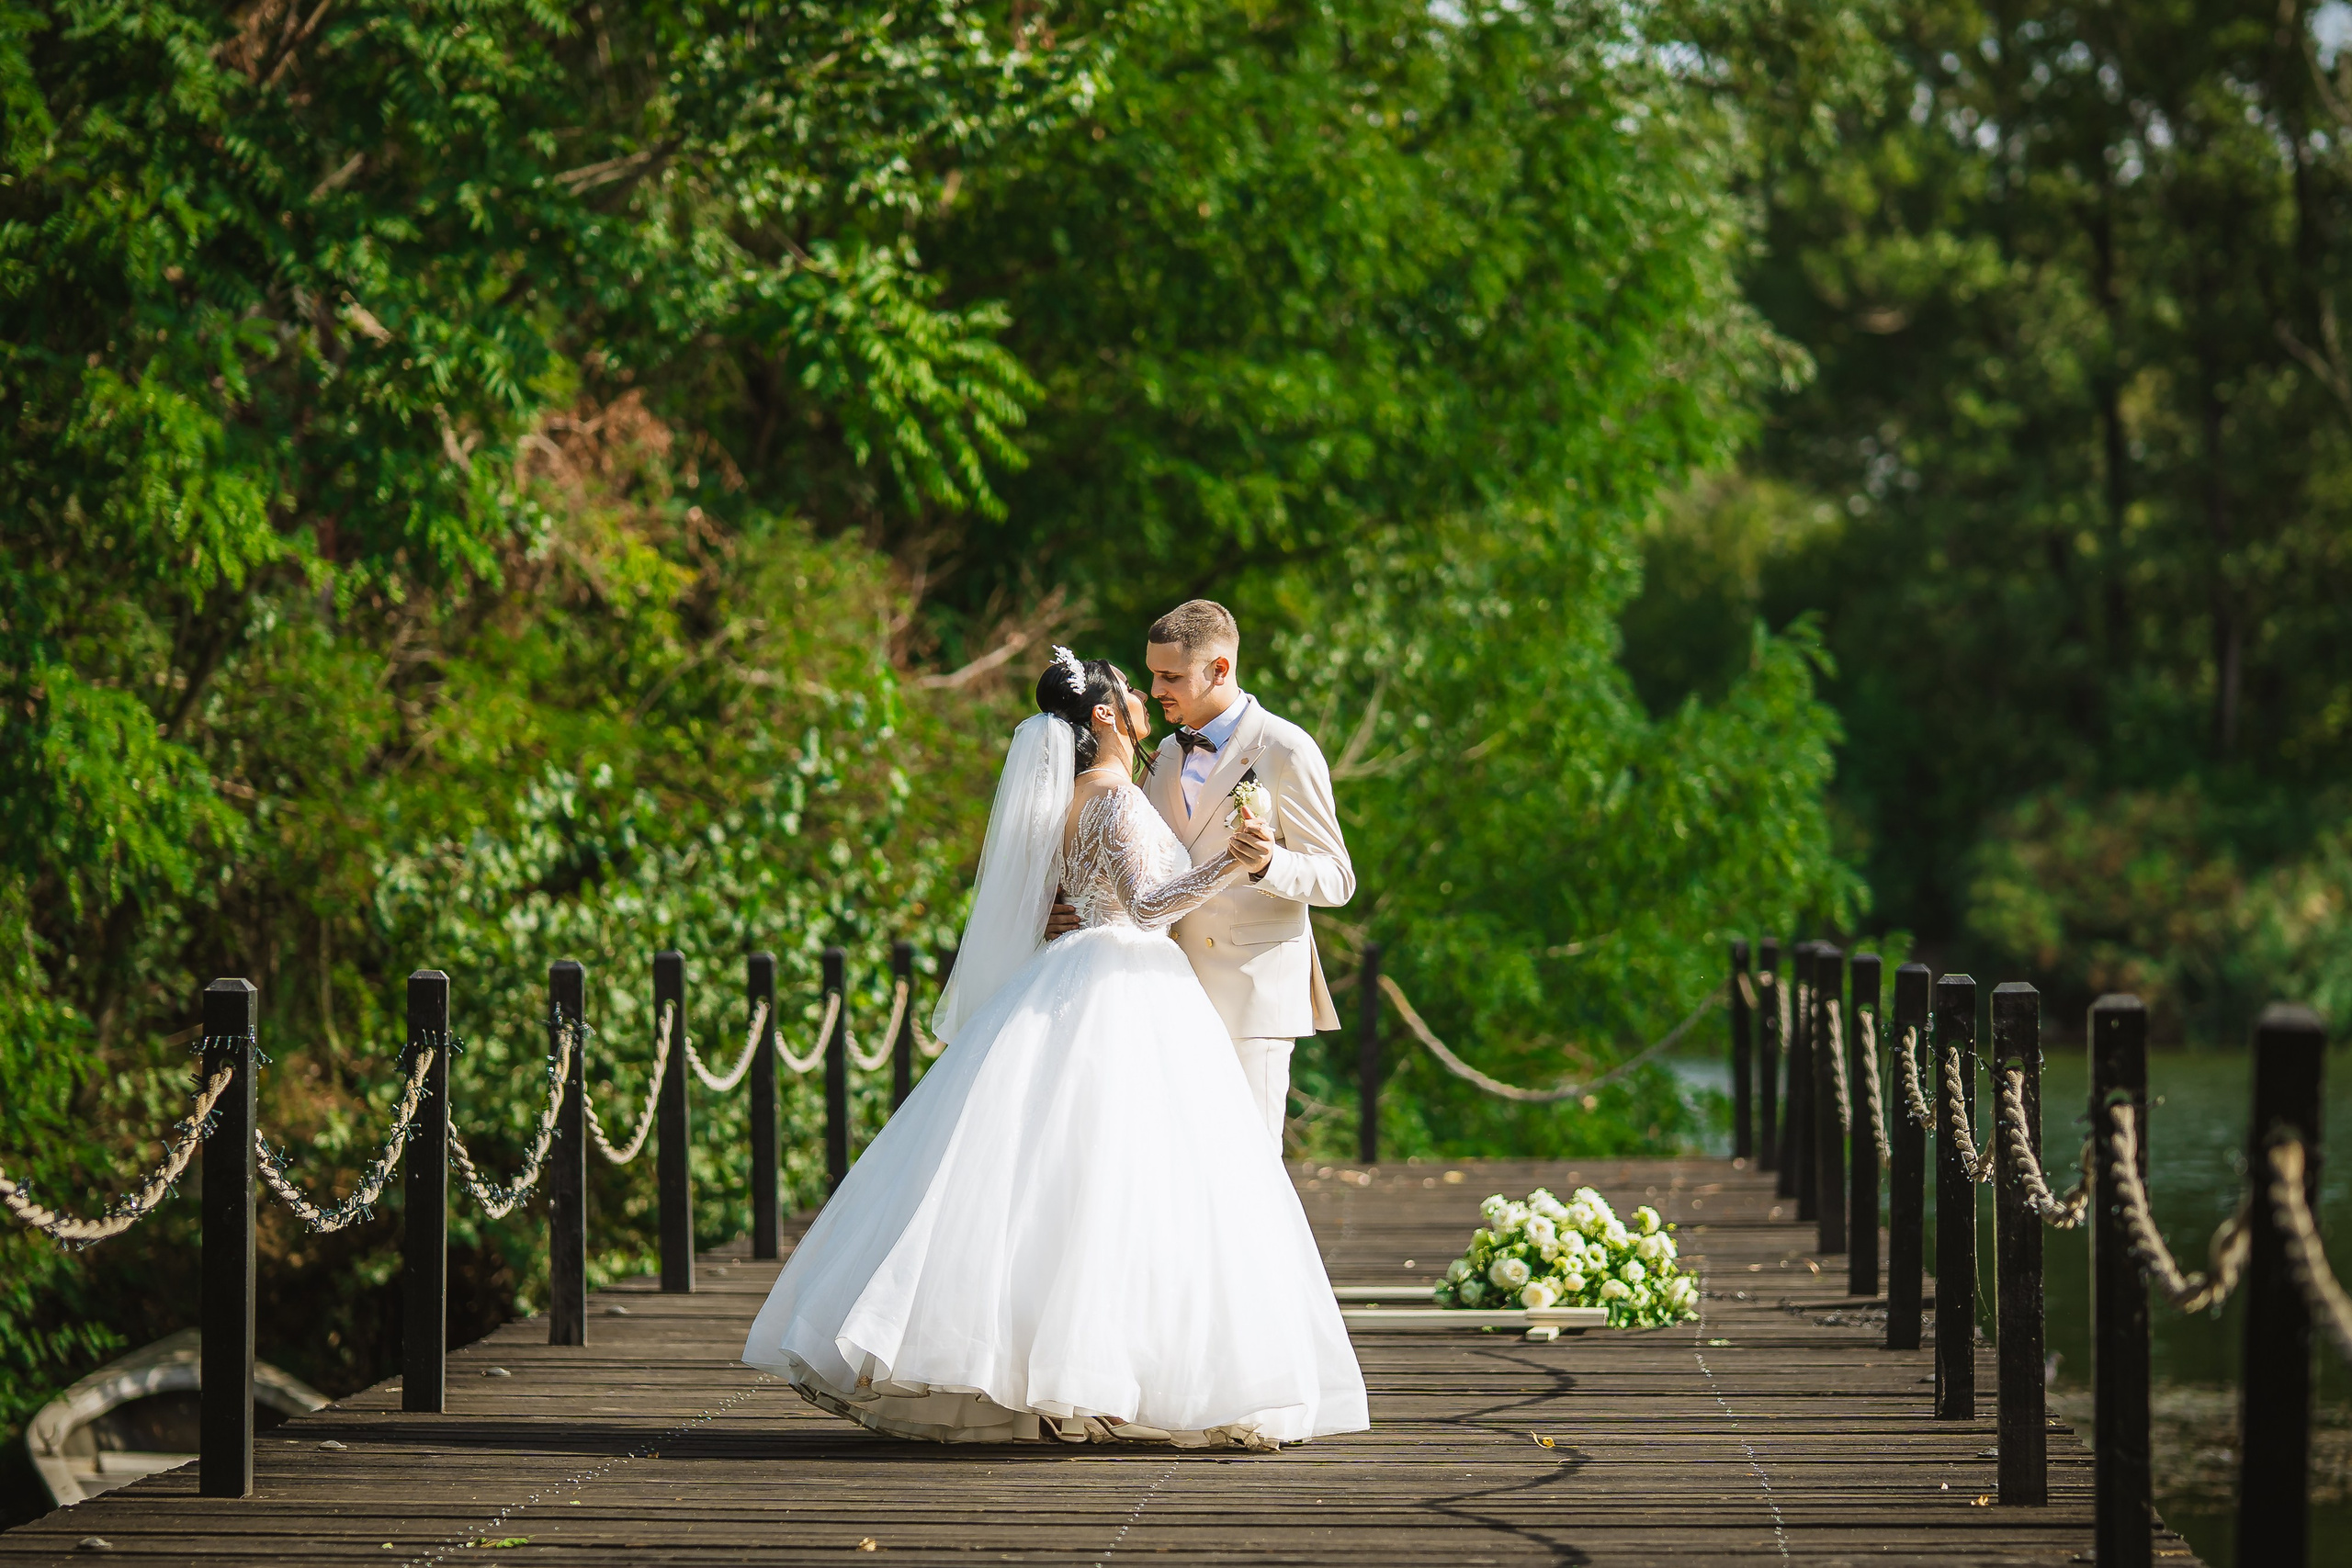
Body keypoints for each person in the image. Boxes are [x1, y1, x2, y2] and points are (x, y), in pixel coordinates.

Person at [739, 649, 1368, 1449]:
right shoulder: (1115, 797)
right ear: (1103, 714)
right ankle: (1114, 1381)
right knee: (1123, 1185)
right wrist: (1229, 863)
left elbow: (1055, 893)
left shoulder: (1072, 794)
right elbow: (1146, 907)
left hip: (1077, 975)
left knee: (1064, 1183)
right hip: (1128, 979)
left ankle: (1065, 1379)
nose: (1144, 697)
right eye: (1132, 689)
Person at [1052, 601, 1353, 1145]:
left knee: (1250, 1158)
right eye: (1151, 674)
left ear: (1219, 669)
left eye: (1170, 677)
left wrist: (1267, 864)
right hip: (1166, 992)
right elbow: (1124, 856)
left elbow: (1336, 878)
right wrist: (1063, 903)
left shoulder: (1286, 749)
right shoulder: (1163, 754)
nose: (1155, 689)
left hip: (1253, 994)